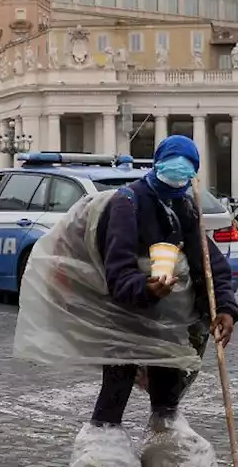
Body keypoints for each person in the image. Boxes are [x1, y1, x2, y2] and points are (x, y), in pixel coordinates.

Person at [19, 135, 237, 464]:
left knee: (168, 391)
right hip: (123, 315)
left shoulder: (184, 205)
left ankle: (166, 444)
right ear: (157, 165)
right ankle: (104, 450)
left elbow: (209, 264)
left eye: (186, 173)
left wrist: (224, 307)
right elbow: (117, 270)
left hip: (167, 322)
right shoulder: (127, 204)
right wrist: (145, 288)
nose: (178, 178)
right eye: (174, 170)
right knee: (116, 387)